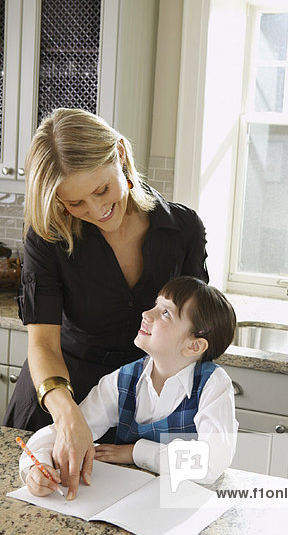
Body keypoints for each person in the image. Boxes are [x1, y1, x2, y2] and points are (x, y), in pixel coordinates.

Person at [4, 108, 209, 501]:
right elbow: (43, 344)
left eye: (101, 190)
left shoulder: (183, 230)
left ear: (120, 155)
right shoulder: (48, 237)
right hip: (59, 400)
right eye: (75, 203)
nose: (96, 210)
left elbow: (194, 330)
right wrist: (68, 417)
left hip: (143, 411)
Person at [19, 276, 238, 499]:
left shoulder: (214, 384)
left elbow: (212, 461)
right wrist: (36, 467)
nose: (146, 313)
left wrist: (135, 452)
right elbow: (68, 431)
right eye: (155, 305)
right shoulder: (122, 380)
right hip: (129, 500)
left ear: (194, 345)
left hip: (182, 509)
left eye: (165, 313)